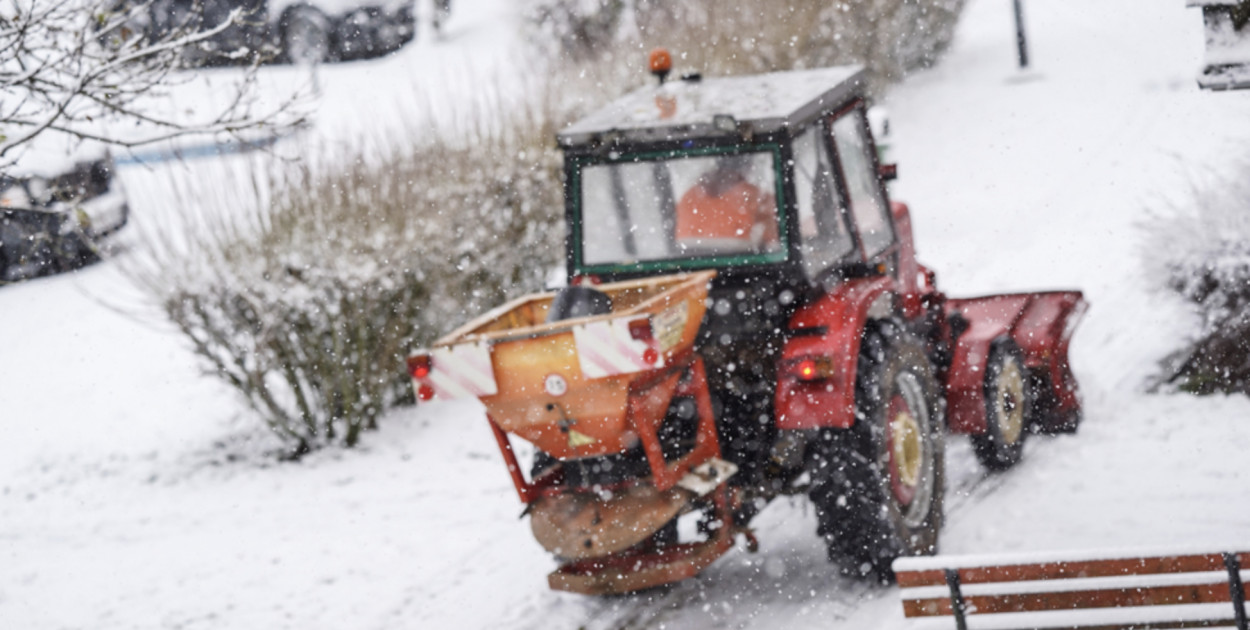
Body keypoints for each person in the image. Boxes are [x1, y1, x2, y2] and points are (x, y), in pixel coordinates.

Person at [674, 154, 779, 254]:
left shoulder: (689, 197)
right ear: (747, 166)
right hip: (744, 269)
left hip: (694, 270)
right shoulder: (757, 197)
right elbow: (777, 246)